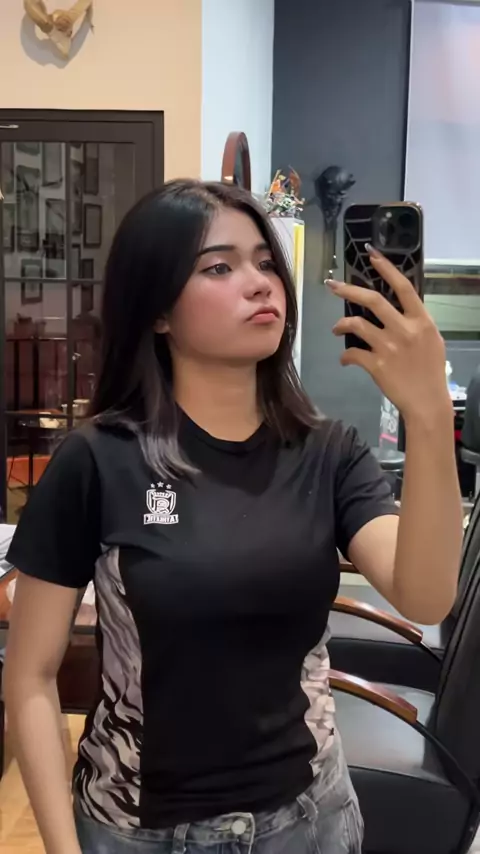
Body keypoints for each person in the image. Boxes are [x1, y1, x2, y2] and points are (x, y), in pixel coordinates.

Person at [3, 180, 463, 854]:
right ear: (158, 311)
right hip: (140, 831)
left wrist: (428, 417)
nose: (260, 283)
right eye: (219, 267)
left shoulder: (328, 453)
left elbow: (424, 595)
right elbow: (31, 674)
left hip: (308, 822)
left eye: (266, 262)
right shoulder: (99, 460)